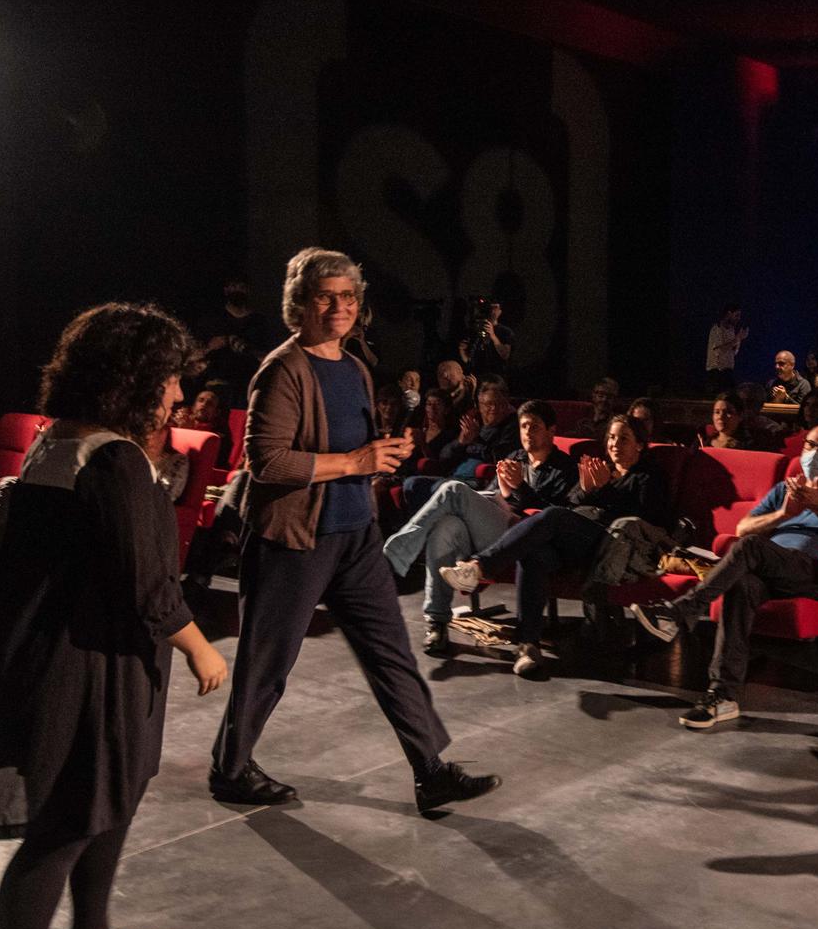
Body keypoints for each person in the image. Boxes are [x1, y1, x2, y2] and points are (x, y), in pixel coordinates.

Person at [0, 302, 230, 929]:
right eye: (170, 378)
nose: (177, 395)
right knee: (66, 821)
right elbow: (147, 582)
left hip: (71, 657)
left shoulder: (56, 445)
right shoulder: (112, 460)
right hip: (87, 669)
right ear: (135, 379)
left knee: (112, 793)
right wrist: (202, 647)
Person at [209, 247, 499, 814]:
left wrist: (386, 456)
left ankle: (430, 770)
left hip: (355, 536)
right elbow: (267, 462)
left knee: (392, 654)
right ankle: (231, 769)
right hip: (295, 541)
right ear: (301, 304)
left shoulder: (356, 368)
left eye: (348, 297)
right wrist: (358, 462)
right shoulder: (282, 371)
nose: (340, 307)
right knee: (268, 663)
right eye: (326, 296)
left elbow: (359, 452)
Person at [629, 425, 818, 729]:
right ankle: (723, 695)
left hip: (813, 570)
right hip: (769, 565)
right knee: (741, 584)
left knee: (750, 547)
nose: (814, 454)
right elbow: (743, 528)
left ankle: (679, 612)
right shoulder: (786, 489)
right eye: (809, 446)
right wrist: (783, 515)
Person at [440, 414, 672, 678]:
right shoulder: (600, 468)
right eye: (611, 437)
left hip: (611, 544)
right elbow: (570, 501)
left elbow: (643, 519)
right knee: (534, 554)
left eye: (623, 438)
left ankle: (479, 567)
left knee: (553, 516)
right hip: (576, 541)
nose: (614, 443)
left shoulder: (648, 476)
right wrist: (586, 488)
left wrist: (603, 490)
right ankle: (529, 647)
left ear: (640, 445)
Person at [383, 399, 578, 656]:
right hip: (494, 528)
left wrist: (520, 488)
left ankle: (396, 553)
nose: (528, 433)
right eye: (523, 426)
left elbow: (555, 518)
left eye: (535, 427)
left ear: (551, 431)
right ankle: (437, 621)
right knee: (445, 528)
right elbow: (496, 497)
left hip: (521, 539)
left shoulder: (564, 468)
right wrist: (502, 493)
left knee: (452, 489)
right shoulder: (515, 458)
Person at [400, 381, 518, 506]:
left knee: (438, 488)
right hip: (454, 476)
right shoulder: (473, 425)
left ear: (506, 405)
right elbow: (444, 457)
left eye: (498, 404)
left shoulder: (510, 427)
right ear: (480, 406)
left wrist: (477, 439)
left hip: (478, 481)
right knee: (411, 483)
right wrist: (461, 442)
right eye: (488, 404)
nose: (493, 408)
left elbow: (500, 458)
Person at [193, 279, 273, 407]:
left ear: (248, 290)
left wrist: (247, 349)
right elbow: (193, 355)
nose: (237, 290)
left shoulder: (258, 322)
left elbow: (268, 356)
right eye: (233, 286)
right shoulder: (212, 319)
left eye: (241, 286)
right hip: (216, 385)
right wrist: (211, 346)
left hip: (246, 387)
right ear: (226, 290)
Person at [462, 297, 514, 380]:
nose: (492, 310)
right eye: (490, 307)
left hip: (496, 378)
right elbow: (471, 360)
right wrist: (463, 352)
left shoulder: (506, 332)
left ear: (500, 311)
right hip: (477, 377)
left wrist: (493, 335)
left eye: (495, 307)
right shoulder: (476, 329)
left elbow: (505, 355)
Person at [705, 304, 750, 393]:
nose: (738, 318)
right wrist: (738, 338)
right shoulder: (717, 328)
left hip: (727, 371)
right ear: (729, 314)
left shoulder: (731, 330)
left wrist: (739, 339)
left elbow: (733, 352)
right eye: (736, 315)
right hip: (717, 372)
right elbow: (719, 350)